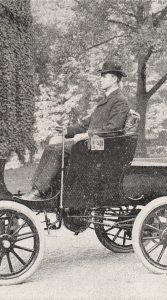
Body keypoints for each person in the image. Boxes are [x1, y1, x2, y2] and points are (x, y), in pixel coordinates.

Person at [22, 60, 130, 201]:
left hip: (103, 146)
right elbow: (86, 124)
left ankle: (39, 192)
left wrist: (88, 135)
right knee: (51, 147)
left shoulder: (119, 101)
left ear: (115, 78)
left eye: (104, 76)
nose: (101, 79)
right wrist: (66, 130)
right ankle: (40, 190)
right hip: (94, 143)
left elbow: (114, 129)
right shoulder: (106, 100)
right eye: (101, 76)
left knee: (57, 150)